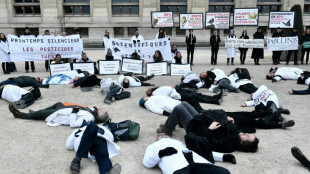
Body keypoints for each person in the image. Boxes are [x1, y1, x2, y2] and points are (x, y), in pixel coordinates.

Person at [157, 102, 259, 153]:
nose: (246, 133)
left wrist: (210, 129)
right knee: (184, 103)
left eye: (247, 137)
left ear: (244, 144)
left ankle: (167, 130)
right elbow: (236, 129)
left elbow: (207, 144)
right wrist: (230, 120)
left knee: (179, 108)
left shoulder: (229, 146)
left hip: (196, 130)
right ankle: (170, 124)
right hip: (203, 121)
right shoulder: (238, 135)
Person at [143, 133, 231, 174]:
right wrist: (161, 153)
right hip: (177, 166)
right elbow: (147, 162)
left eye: (164, 134)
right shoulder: (153, 146)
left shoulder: (178, 143)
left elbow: (198, 150)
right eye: (160, 135)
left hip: (194, 162)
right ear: (157, 138)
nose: (163, 135)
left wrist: (223, 157)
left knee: (223, 172)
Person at [8, 102, 110, 127]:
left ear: (99, 116)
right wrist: (95, 108)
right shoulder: (92, 112)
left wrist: (74, 112)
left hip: (60, 115)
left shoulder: (89, 119)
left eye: (101, 111)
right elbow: (91, 108)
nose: (99, 109)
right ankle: (37, 112)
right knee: (58, 103)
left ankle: (19, 114)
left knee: (39, 115)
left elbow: (74, 124)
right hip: (63, 109)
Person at [146, 85, 224, 105]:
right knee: (196, 97)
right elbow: (164, 97)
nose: (149, 90)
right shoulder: (155, 94)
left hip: (177, 90)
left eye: (148, 89)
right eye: (148, 91)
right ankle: (215, 100)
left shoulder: (156, 90)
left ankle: (216, 97)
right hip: (177, 95)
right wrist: (170, 89)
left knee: (197, 94)